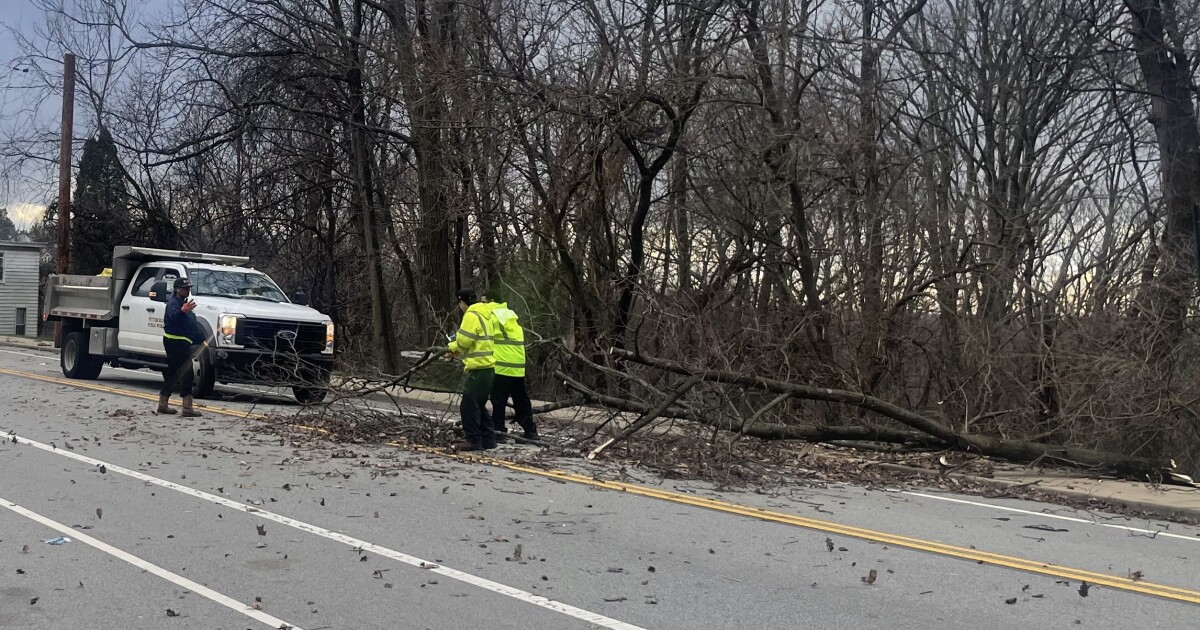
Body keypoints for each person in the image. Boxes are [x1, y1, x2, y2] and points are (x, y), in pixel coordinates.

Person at [482, 289, 539, 443]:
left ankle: (499, 431)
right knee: (521, 400)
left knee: (498, 400)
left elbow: (481, 337)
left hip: (501, 365)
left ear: (490, 301)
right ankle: (530, 431)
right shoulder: (510, 315)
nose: (482, 304)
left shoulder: (490, 316)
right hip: (518, 366)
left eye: (484, 300)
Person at [447, 288, 496, 451]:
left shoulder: (471, 315)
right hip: (488, 368)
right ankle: (489, 440)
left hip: (478, 368)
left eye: (459, 303)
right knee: (479, 405)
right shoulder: (485, 313)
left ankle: (473, 440)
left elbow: (463, 342)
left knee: (468, 405)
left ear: (462, 302)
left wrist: (451, 346)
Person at [159, 277, 208, 417]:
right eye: (185, 288)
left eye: (189, 288)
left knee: (174, 373)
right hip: (174, 342)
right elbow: (173, 317)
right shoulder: (173, 303)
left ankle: (164, 404)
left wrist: (202, 339)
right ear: (177, 289)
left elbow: (191, 325)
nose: (188, 290)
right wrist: (182, 311)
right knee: (186, 373)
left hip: (183, 342)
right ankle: (186, 407)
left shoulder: (185, 304)